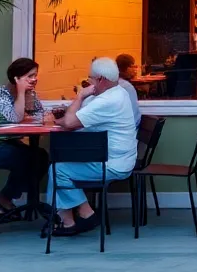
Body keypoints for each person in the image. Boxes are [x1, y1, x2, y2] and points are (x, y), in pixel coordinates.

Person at [50, 57, 138, 235]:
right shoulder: (119, 92)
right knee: (60, 164)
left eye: (90, 78)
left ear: (101, 79)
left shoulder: (106, 101)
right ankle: (63, 217)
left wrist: (80, 95)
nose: (88, 82)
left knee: (58, 170)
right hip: (120, 159)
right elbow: (75, 119)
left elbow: (69, 122)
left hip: (113, 165)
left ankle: (83, 215)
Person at [0, 57, 51, 215]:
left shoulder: (29, 94)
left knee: (41, 157)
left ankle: (15, 199)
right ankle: (5, 198)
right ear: (16, 78)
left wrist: (27, 96)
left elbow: (40, 115)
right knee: (27, 159)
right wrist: (21, 92)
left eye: (35, 75)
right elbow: (14, 118)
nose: (35, 79)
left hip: (7, 142)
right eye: (30, 76)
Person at [115, 53, 142, 126]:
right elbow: (134, 115)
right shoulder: (126, 87)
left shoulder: (115, 84)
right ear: (126, 68)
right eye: (133, 66)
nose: (135, 70)